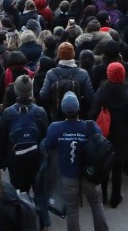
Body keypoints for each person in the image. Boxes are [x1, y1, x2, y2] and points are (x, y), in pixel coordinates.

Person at [45, 92, 108, 231]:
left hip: (68, 177)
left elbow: (48, 145)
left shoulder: (55, 128)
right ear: (78, 108)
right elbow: (101, 144)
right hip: (89, 176)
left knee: (72, 211)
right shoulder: (91, 126)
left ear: (63, 110)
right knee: (97, 205)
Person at [88, 61, 128, 208]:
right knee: (117, 168)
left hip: (104, 134)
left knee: (104, 165)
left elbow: (92, 113)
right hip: (122, 135)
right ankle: (115, 197)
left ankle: (104, 194)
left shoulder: (101, 91)